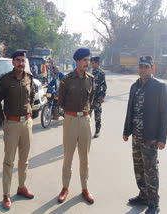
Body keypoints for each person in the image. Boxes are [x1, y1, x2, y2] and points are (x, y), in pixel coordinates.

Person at [123, 56, 167, 214]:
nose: (142, 69)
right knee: (138, 168)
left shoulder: (159, 87)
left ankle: (154, 203)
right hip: (136, 136)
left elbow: (165, 114)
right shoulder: (134, 86)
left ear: (152, 68)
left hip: (150, 138)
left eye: (146, 67)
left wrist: (162, 138)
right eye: (141, 67)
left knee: (150, 170)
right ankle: (143, 195)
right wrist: (126, 131)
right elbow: (130, 109)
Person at [0, 49, 36, 210]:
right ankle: (6, 194)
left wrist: (30, 109)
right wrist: (3, 119)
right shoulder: (5, 80)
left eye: (23, 60)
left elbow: (31, 95)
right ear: (13, 62)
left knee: (24, 160)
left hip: (27, 124)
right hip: (11, 124)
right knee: (9, 161)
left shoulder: (29, 78)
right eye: (18, 60)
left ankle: (21, 187)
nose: (21, 63)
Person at [57, 48, 95, 204]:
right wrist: (72, 113)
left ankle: (85, 188)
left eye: (88, 60)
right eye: (85, 60)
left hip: (85, 120)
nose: (87, 63)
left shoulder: (90, 79)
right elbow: (61, 101)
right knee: (68, 156)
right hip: (71, 120)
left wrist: (84, 114)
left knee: (84, 157)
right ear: (77, 62)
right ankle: (65, 188)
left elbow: (91, 99)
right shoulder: (67, 79)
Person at [90, 56, 107, 138]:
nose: (92, 65)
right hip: (89, 98)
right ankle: (86, 131)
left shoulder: (101, 73)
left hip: (97, 98)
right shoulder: (89, 72)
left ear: (98, 63)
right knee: (87, 116)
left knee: (97, 116)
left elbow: (104, 86)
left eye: (93, 63)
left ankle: (97, 131)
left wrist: (102, 96)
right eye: (91, 63)